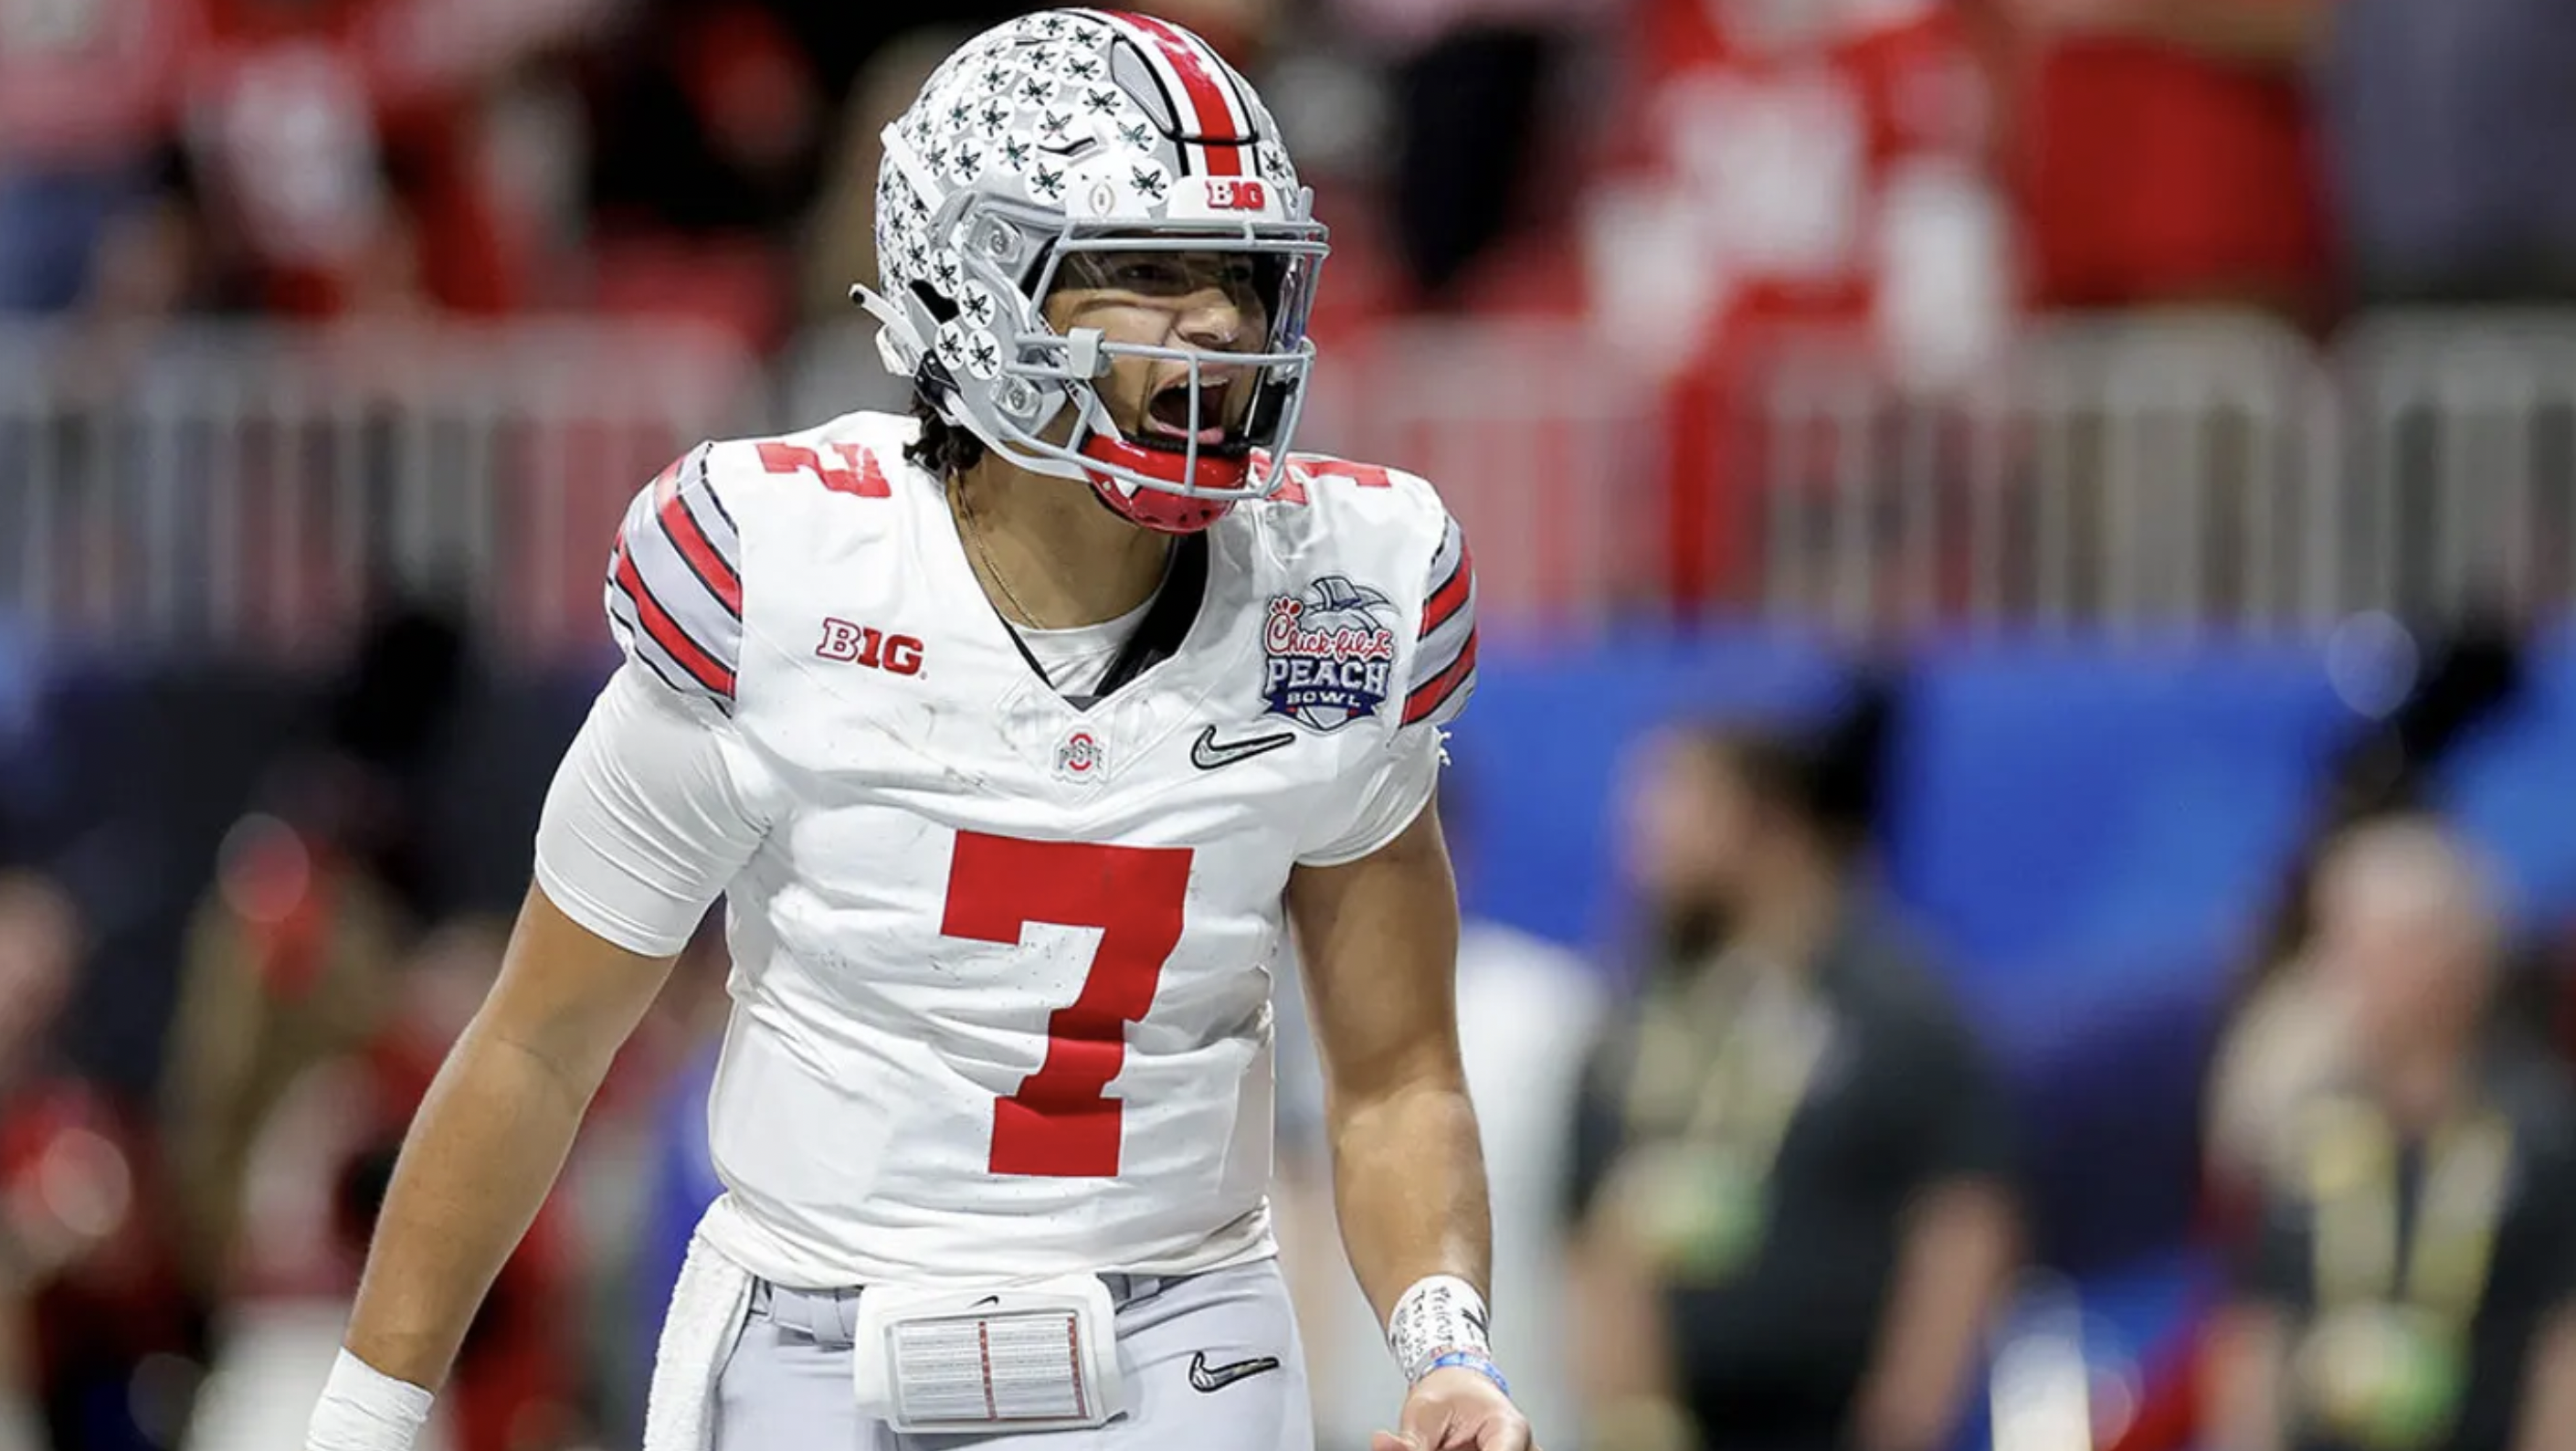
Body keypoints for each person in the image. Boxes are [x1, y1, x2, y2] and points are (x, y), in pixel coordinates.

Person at [303, 12, 1526, 1451]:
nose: (1216, 326)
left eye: (1243, 279)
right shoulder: (779, 577)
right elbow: (537, 1046)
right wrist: (364, 1418)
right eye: (1143, 270)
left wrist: (1446, 1348)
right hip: (817, 1332)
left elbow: (1396, 1075)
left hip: (1177, 1329)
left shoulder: (1340, 597)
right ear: (976, 287)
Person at [1567, 694, 2020, 1451]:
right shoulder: (1642, 1016)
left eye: (1676, 807)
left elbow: (1964, 1224)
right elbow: (1598, 1235)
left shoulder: (1900, 1008)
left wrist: (1903, 1424)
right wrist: (1631, 1420)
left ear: (1768, 824)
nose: (1642, 841)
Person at [2205, 818, 2576, 1451]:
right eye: (2336, 943)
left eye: (2369, 947)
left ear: (2454, 959)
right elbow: (2257, 1322)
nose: (2338, 974)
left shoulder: (2539, 1128)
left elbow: (2563, 1339)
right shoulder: (2311, 1116)